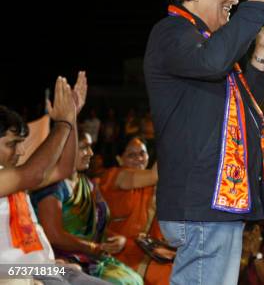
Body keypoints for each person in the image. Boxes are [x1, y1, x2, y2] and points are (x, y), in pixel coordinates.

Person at [143, 0, 264, 285]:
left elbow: (242, 110)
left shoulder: (204, 48)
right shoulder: (171, 33)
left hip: (215, 205)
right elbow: (214, 62)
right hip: (201, 203)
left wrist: (261, 53)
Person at [1, 73, 109, 284]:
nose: (21, 151)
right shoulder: (18, 177)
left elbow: (63, 168)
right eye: (12, 143)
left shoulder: (15, 179)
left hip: (43, 269)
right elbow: (34, 173)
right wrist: (62, 123)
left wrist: (72, 118)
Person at [31, 131, 143, 285]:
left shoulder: (87, 184)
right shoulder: (51, 187)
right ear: (64, 150)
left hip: (91, 256)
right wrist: (91, 247)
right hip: (63, 258)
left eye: (90, 147)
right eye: (83, 148)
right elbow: (54, 236)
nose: (90, 153)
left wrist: (115, 239)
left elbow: (94, 226)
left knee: (134, 279)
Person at [99, 137, 172, 285]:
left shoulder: (156, 186)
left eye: (142, 153)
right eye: (131, 155)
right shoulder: (113, 176)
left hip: (149, 253)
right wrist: (174, 134)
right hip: (117, 252)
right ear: (119, 159)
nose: (139, 159)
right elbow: (154, 175)